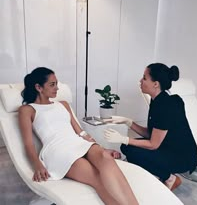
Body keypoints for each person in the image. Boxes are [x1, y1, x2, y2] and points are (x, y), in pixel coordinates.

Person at [18, 67, 139, 205]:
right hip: (59, 151)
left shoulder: (63, 104)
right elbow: (28, 144)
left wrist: (101, 148)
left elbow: (80, 132)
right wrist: (37, 164)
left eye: (57, 83)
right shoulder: (27, 110)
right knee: (98, 178)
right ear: (38, 87)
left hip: (78, 143)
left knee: (106, 158)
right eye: (52, 84)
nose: (57, 88)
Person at [104, 63, 197, 191]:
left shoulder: (165, 106)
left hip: (181, 157)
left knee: (133, 150)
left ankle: (170, 178)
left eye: (144, 78)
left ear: (156, 83)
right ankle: (161, 172)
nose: (140, 81)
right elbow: (151, 134)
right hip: (167, 148)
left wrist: (124, 138)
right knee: (127, 147)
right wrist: (129, 122)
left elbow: (153, 144)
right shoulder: (158, 101)